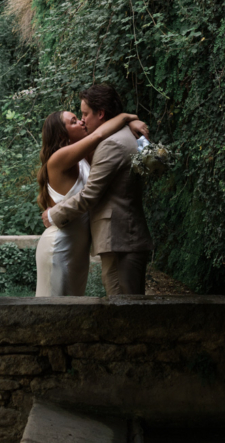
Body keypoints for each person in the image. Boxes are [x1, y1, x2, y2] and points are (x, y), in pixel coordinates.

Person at [43, 82, 153, 296]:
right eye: (75, 120)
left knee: (124, 308)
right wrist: (129, 118)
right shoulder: (100, 144)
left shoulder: (109, 144)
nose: (82, 120)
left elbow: (91, 194)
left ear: (100, 114)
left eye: (83, 115)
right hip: (92, 241)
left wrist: (53, 214)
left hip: (120, 240)